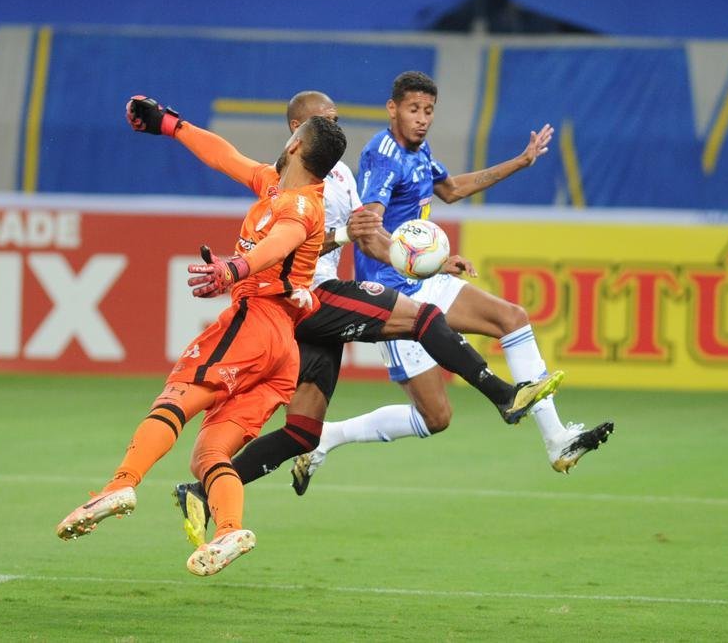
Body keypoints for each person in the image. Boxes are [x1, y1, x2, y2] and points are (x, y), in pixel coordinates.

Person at [173, 91, 561, 547]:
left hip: (313, 309)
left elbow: (371, 241)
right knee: (422, 317)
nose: (335, 126)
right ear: (297, 131)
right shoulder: (283, 182)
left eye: (337, 118)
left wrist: (427, 262)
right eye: (325, 120)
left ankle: (200, 492)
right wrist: (170, 124)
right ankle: (504, 397)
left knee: (302, 433)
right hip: (307, 298)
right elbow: (286, 246)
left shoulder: (340, 174)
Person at [55, 94, 347, 577]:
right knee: (209, 454)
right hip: (282, 353)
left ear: (296, 144)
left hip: (256, 322)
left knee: (176, 397)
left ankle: (121, 483)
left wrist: (235, 267)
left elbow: (281, 243)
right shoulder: (277, 187)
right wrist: (171, 125)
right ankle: (230, 529)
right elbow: (224, 155)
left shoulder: (301, 205)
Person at [291, 71, 613, 493]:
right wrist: (418, 261)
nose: (422, 119)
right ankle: (327, 438)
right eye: (413, 109)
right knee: (435, 417)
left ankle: (556, 440)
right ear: (393, 109)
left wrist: (520, 161)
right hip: (393, 293)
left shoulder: (420, 151)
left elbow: (452, 188)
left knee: (512, 317)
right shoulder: (383, 155)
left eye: (428, 111)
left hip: (421, 275)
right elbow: (368, 227)